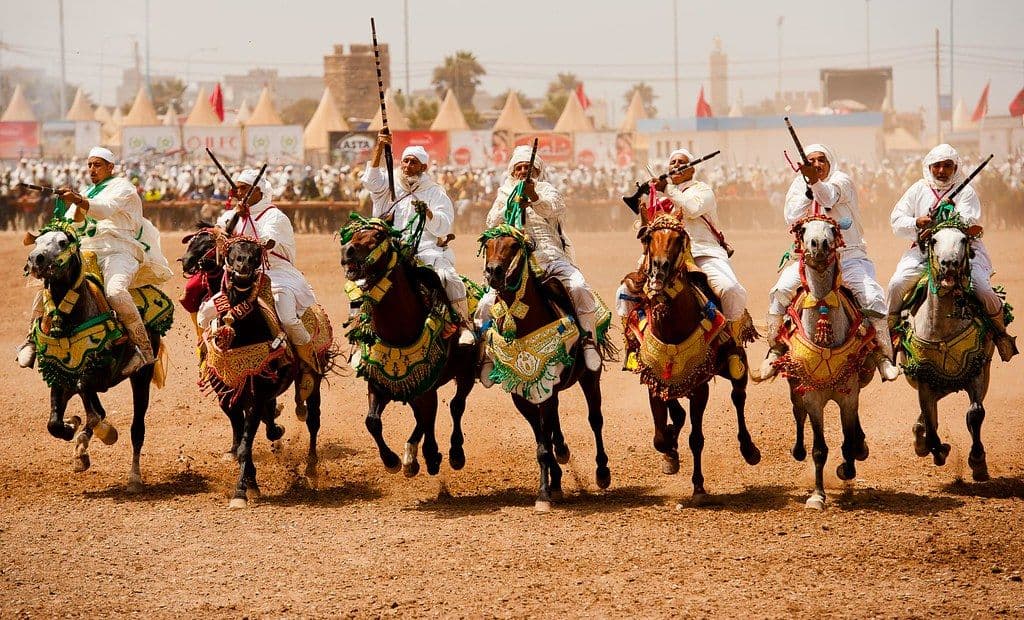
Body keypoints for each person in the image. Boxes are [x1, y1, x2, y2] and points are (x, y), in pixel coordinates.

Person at [17, 146, 173, 376]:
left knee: (115, 292)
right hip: (88, 251)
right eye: (89, 164)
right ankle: (31, 339)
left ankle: (144, 350)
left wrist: (79, 200)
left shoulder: (123, 187)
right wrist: (75, 204)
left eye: (97, 164)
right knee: (49, 281)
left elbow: (104, 210)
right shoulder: (89, 191)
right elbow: (76, 224)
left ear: (111, 167)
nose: (92, 169)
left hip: (120, 250)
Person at [761, 143, 900, 381]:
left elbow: (827, 196)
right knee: (781, 290)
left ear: (830, 162)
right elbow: (792, 216)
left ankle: (883, 358)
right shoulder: (798, 184)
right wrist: (807, 186)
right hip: (809, 260)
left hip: (848, 257)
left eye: (821, 160)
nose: (816, 164)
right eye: (811, 161)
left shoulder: (841, 180)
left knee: (873, 296)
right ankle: (774, 350)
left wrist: (814, 182)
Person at [614, 148, 749, 377]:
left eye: (682, 162)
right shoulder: (661, 198)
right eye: (673, 162)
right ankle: (633, 346)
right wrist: (645, 217)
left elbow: (692, 209)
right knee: (624, 292)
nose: (677, 164)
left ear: (692, 169)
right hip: (664, 256)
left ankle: (732, 345)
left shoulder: (702, 190)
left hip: (701, 251)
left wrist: (667, 189)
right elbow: (643, 229)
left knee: (731, 289)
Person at [477, 144, 603, 380]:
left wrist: (533, 197)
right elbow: (492, 223)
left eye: (529, 167)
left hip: (550, 256)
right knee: (485, 304)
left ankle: (588, 341)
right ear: (513, 171)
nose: (524, 171)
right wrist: (513, 201)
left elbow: (553, 209)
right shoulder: (504, 193)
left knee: (578, 287)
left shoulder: (547, 190)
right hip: (514, 261)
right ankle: (487, 354)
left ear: (537, 171)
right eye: (520, 167)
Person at [887, 143, 1017, 361]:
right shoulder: (918, 189)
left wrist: (949, 213)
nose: (941, 171)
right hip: (924, 250)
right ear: (928, 167)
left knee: (982, 288)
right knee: (896, 284)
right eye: (936, 166)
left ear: (956, 168)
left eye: (948, 166)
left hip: (963, 251)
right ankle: (891, 334)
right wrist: (917, 221)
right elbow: (896, 220)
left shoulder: (966, 191)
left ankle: (1000, 334)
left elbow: (969, 220)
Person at [198, 169, 321, 371]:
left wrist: (243, 237)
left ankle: (308, 363)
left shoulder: (274, 216)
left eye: (244, 189)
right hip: (241, 280)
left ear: (258, 191)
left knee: (288, 319)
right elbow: (218, 229)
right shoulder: (233, 214)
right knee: (206, 313)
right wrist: (226, 227)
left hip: (276, 274)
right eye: (236, 189)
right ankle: (207, 359)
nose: (239, 193)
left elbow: (267, 241)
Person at [360, 132, 475, 346]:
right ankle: (360, 334)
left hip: (426, 250)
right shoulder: (389, 184)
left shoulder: (435, 192)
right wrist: (379, 147)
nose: (407, 165)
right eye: (405, 161)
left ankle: (463, 325)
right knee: (359, 281)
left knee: (449, 278)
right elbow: (371, 179)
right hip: (389, 249)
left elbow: (444, 225)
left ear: (423, 168)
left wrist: (428, 213)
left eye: (413, 163)